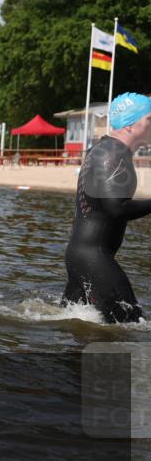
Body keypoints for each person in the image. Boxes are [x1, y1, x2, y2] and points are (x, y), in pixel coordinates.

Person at [62, 92, 151, 323]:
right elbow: (116, 208)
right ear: (131, 125)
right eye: (149, 119)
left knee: (73, 324)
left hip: (80, 254)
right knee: (132, 325)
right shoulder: (114, 154)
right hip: (94, 257)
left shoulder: (103, 149)